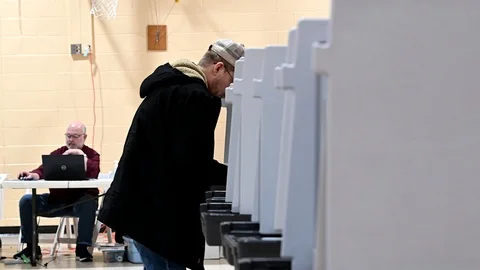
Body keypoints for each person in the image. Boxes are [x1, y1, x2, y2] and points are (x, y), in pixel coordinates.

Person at [98, 39, 245, 270]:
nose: (231, 88)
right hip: (160, 218)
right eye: (233, 80)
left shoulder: (169, 87)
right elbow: (191, 164)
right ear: (218, 68)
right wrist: (240, 177)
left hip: (144, 211)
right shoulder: (194, 96)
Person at [14, 121, 101, 262]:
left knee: (89, 202)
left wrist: (80, 155)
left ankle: (82, 248)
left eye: (75, 136)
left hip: (79, 203)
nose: (70, 140)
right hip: (56, 201)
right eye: (68, 136)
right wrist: (32, 174)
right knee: (27, 201)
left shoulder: (92, 154)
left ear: (84, 137)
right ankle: (31, 248)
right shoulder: (58, 153)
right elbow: (42, 170)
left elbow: (94, 172)